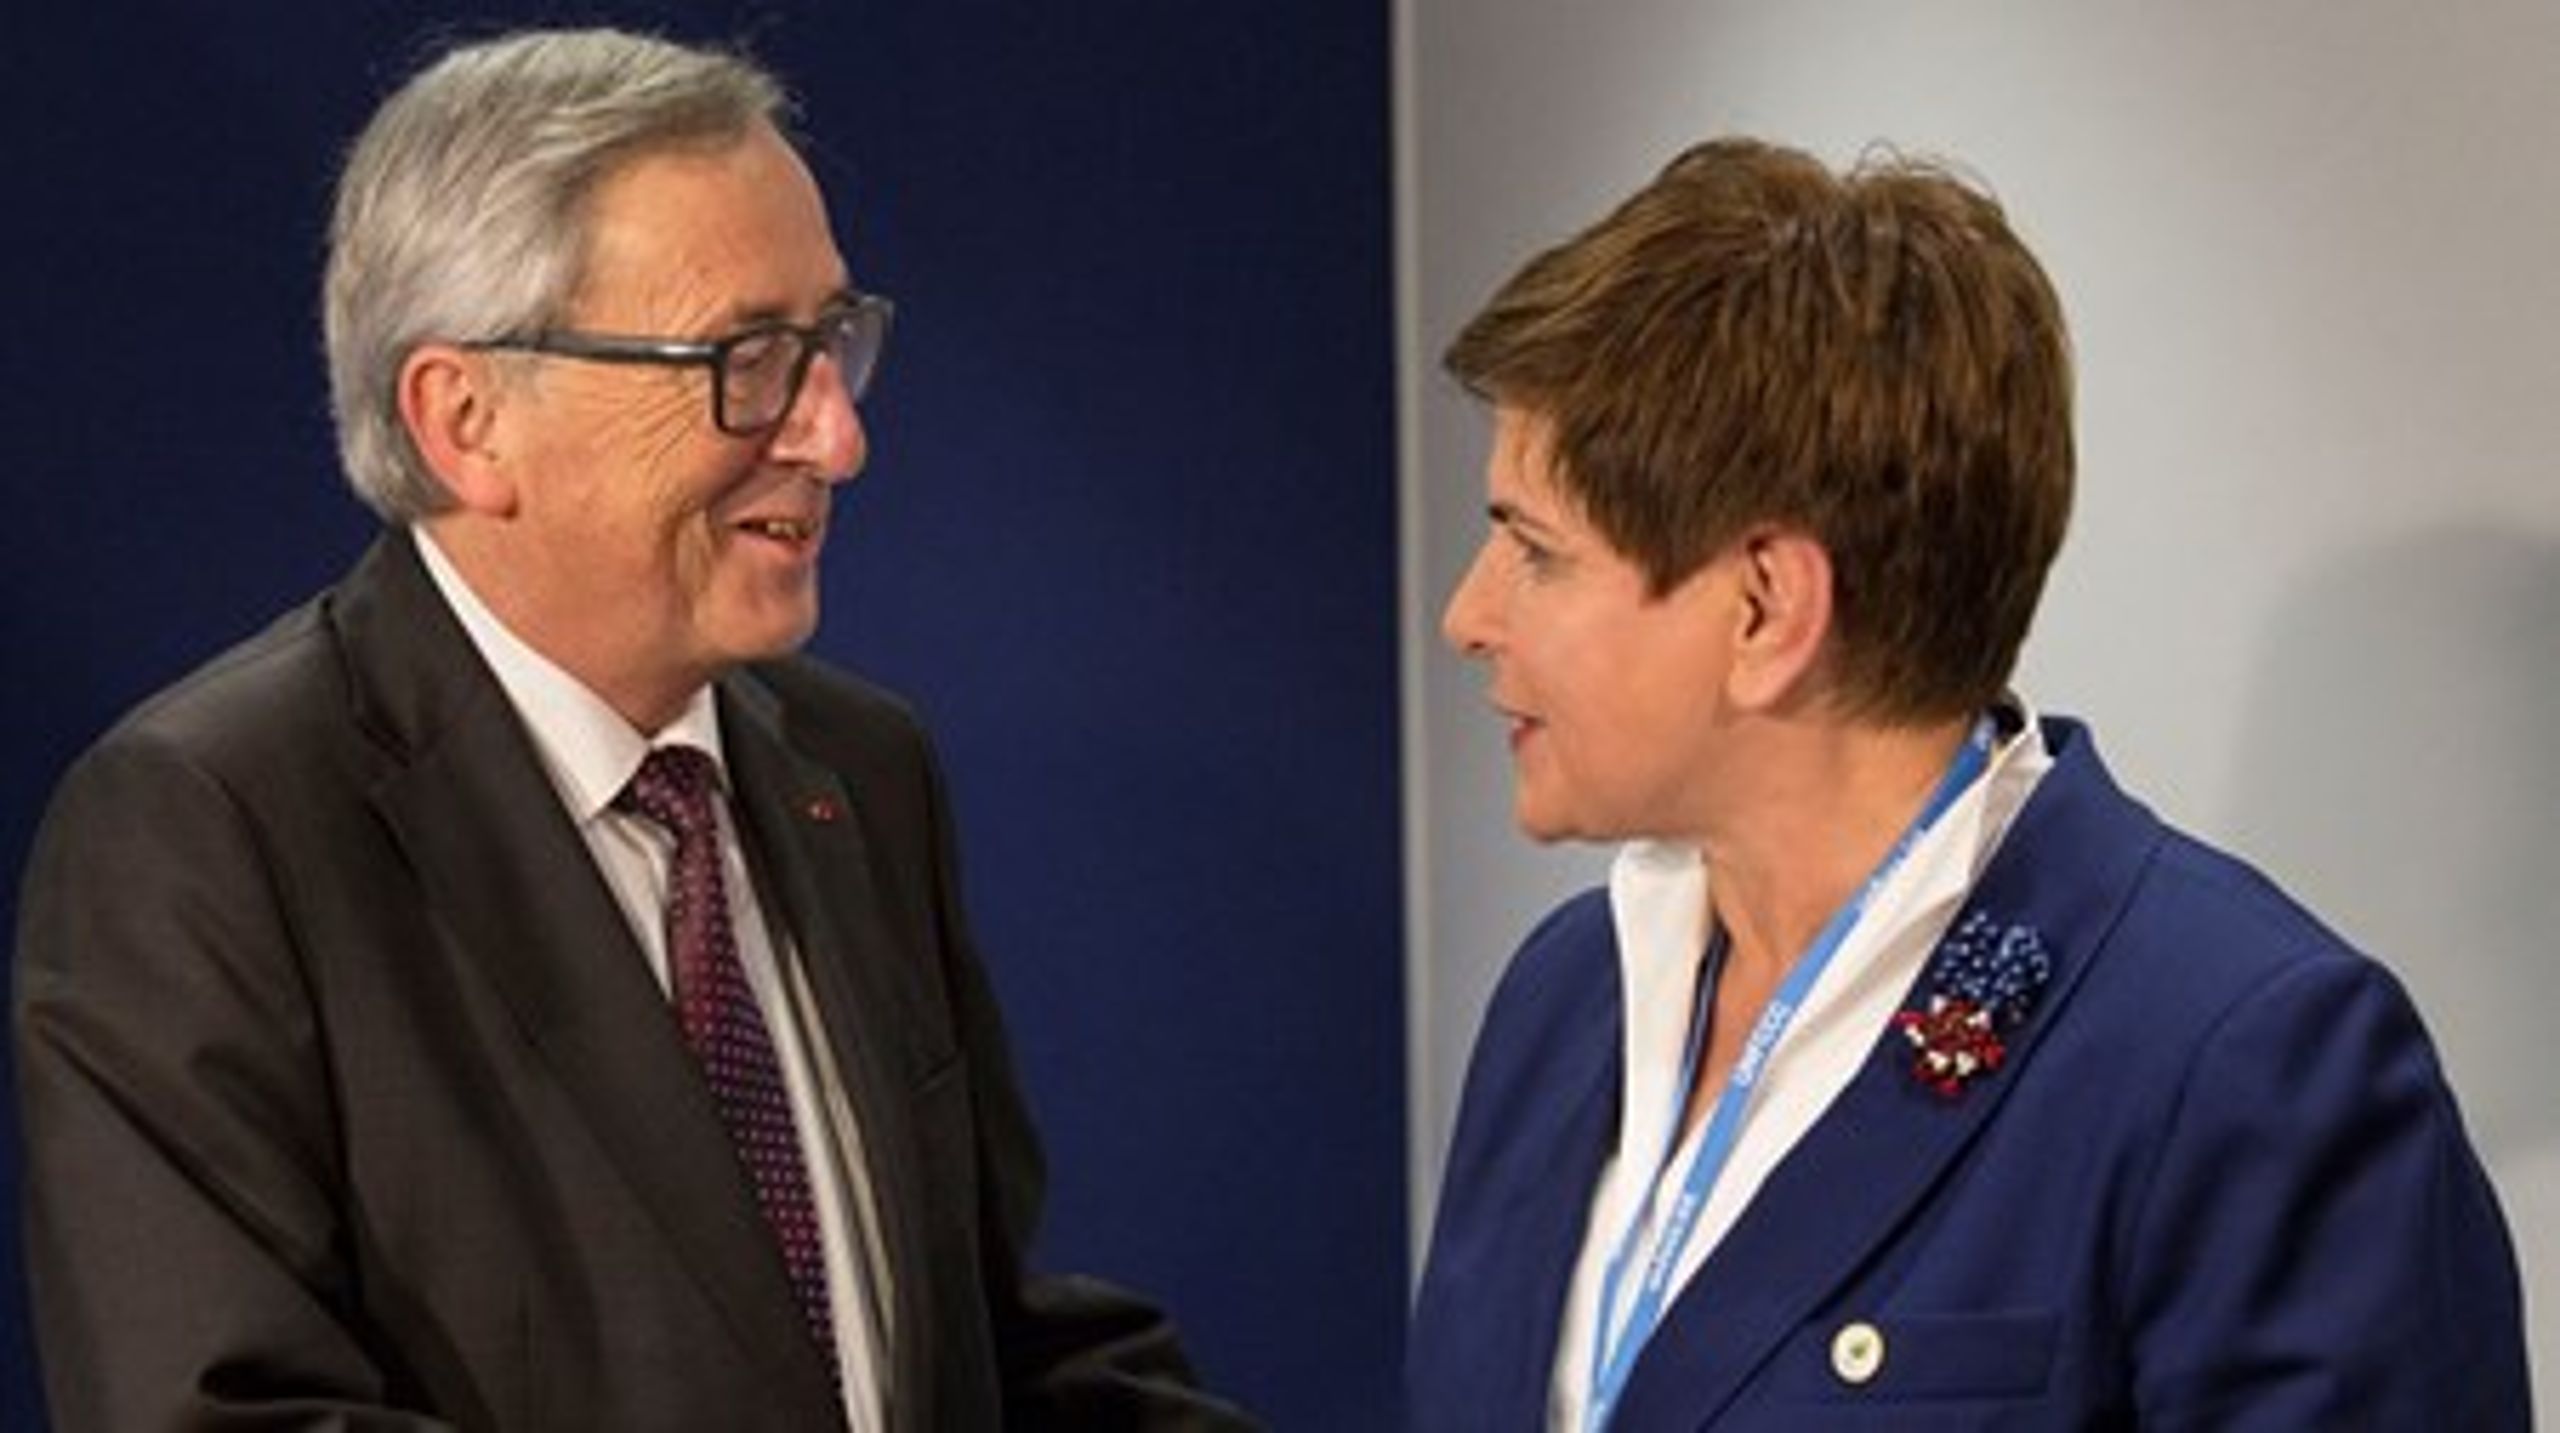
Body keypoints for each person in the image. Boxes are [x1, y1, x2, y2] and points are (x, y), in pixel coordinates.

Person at [13, 28, 1252, 1432]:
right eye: (748, 359)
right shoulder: (212, 830)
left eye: (834, 343)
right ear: (466, 418)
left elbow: (982, 1339)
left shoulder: (859, 770)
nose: (834, 436)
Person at [1406, 138, 2531, 1430]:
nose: (1469, 615)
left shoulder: (2242, 1065)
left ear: (1767, 607)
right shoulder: (1564, 1001)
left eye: (1533, 551)